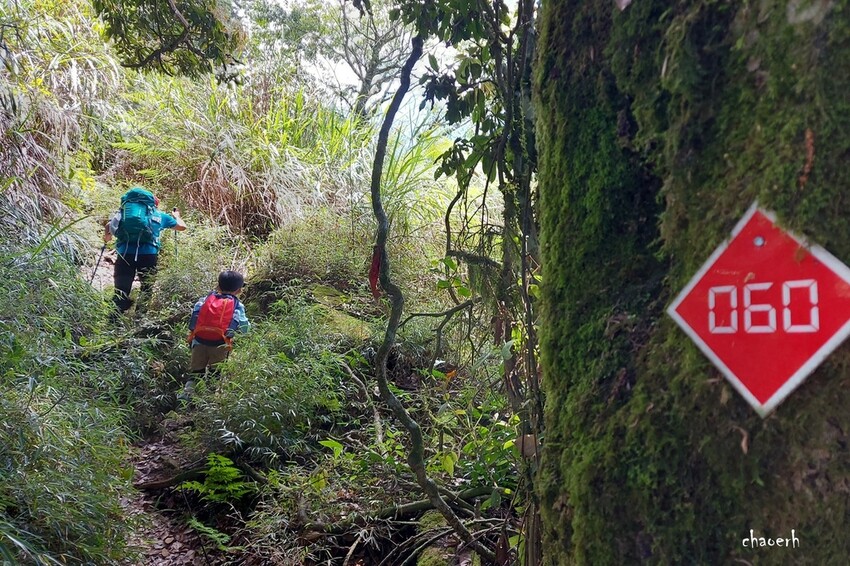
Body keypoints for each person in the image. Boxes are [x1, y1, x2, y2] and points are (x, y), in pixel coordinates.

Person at [104, 187, 186, 313]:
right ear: (152, 204)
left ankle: (114, 320)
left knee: (121, 289)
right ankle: (140, 320)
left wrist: (107, 237)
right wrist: (176, 217)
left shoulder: (123, 214)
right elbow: (182, 227)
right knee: (147, 288)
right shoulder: (159, 216)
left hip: (125, 255)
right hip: (148, 256)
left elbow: (109, 229)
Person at [186, 270, 250, 377]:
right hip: (220, 343)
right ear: (239, 290)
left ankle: (188, 392)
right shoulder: (237, 306)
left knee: (196, 372)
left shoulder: (205, 300)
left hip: (198, 341)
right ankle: (210, 391)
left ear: (218, 286)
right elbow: (245, 327)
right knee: (216, 373)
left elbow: (195, 315)